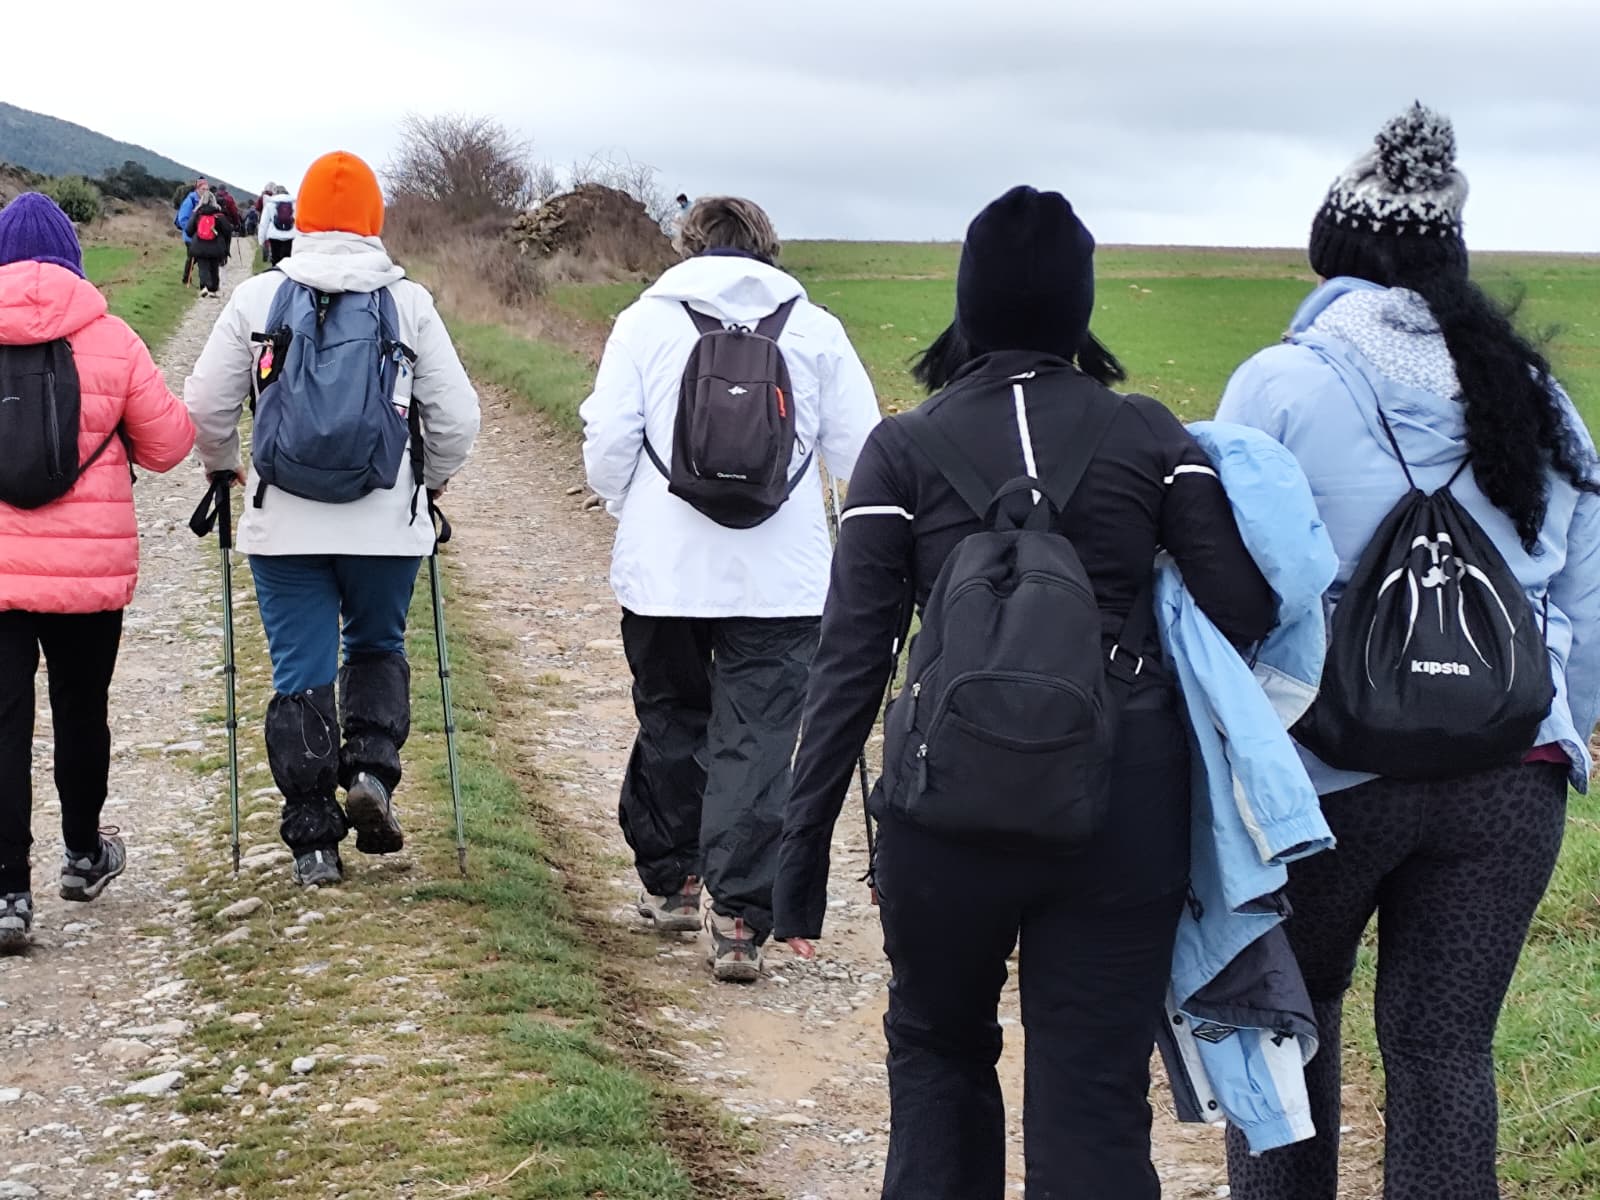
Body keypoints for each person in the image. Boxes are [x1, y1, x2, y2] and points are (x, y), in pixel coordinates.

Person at [772, 186, 1278, 1198]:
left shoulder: (901, 448)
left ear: (968, 301)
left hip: (942, 810)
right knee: (1093, 1090)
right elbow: (1243, 607)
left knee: (937, 1052)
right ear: (1078, 306)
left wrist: (799, 853)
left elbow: (850, 659)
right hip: (1121, 807)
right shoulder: (1149, 435)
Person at [1215, 104, 1600, 1200]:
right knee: (1445, 1052)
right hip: (1509, 780)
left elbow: (1223, 586)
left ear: (1330, 253)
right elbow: (1588, 596)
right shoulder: (1538, 398)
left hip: (1323, 779)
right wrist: (1557, 725)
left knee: (1287, 1033)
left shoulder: (1278, 385)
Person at [580, 196, 879, 981]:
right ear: (768, 250)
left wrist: (625, 506)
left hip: (664, 570)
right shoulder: (816, 330)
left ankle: (673, 882)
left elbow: (608, 441)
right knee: (762, 735)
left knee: (672, 716)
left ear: (687, 247)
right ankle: (741, 919)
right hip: (783, 580)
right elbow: (861, 453)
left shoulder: (644, 322)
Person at [185, 151, 481, 888]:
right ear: (374, 220)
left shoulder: (258, 298)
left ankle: (314, 840)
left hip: (284, 523)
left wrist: (224, 465)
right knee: (377, 645)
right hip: (385, 523)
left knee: (300, 672)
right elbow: (457, 418)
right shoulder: (408, 302)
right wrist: (431, 482)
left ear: (302, 219)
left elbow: (207, 405)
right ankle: (372, 772)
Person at [0, 194, 196, 952]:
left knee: (4, 724)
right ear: (74, 258)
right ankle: (83, 854)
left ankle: (8, 893)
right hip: (87, 573)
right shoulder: (111, 337)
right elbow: (169, 445)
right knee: (81, 711)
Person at [185, 189, 233, 298]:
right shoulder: (219, 215)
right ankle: (213, 289)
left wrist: (196, 234)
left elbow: (188, 230)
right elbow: (228, 231)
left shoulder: (198, 214)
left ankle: (204, 287)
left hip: (199, 246)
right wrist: (225, 246)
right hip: (216, 248)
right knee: (214, 268)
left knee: (203, 268)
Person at [175, 177, 210, 282]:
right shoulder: (189, 200)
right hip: (190, 235)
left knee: (195, 257)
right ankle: (186, 279)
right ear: (197, 189)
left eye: (207, 189)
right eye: (203, 189)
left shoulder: (204, 201)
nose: (205, 191)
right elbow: (182, 219)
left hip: (199, 235)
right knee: (193, 256)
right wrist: (192, 230)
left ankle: (187, 278)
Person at [258, 185, 295, 267]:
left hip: (274, 237)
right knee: (288, 263)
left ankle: (276, 273)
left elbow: (264, 224)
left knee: (275, 261)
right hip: (290, 237)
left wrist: (261, 240)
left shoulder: (270, 203)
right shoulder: (294, 203)